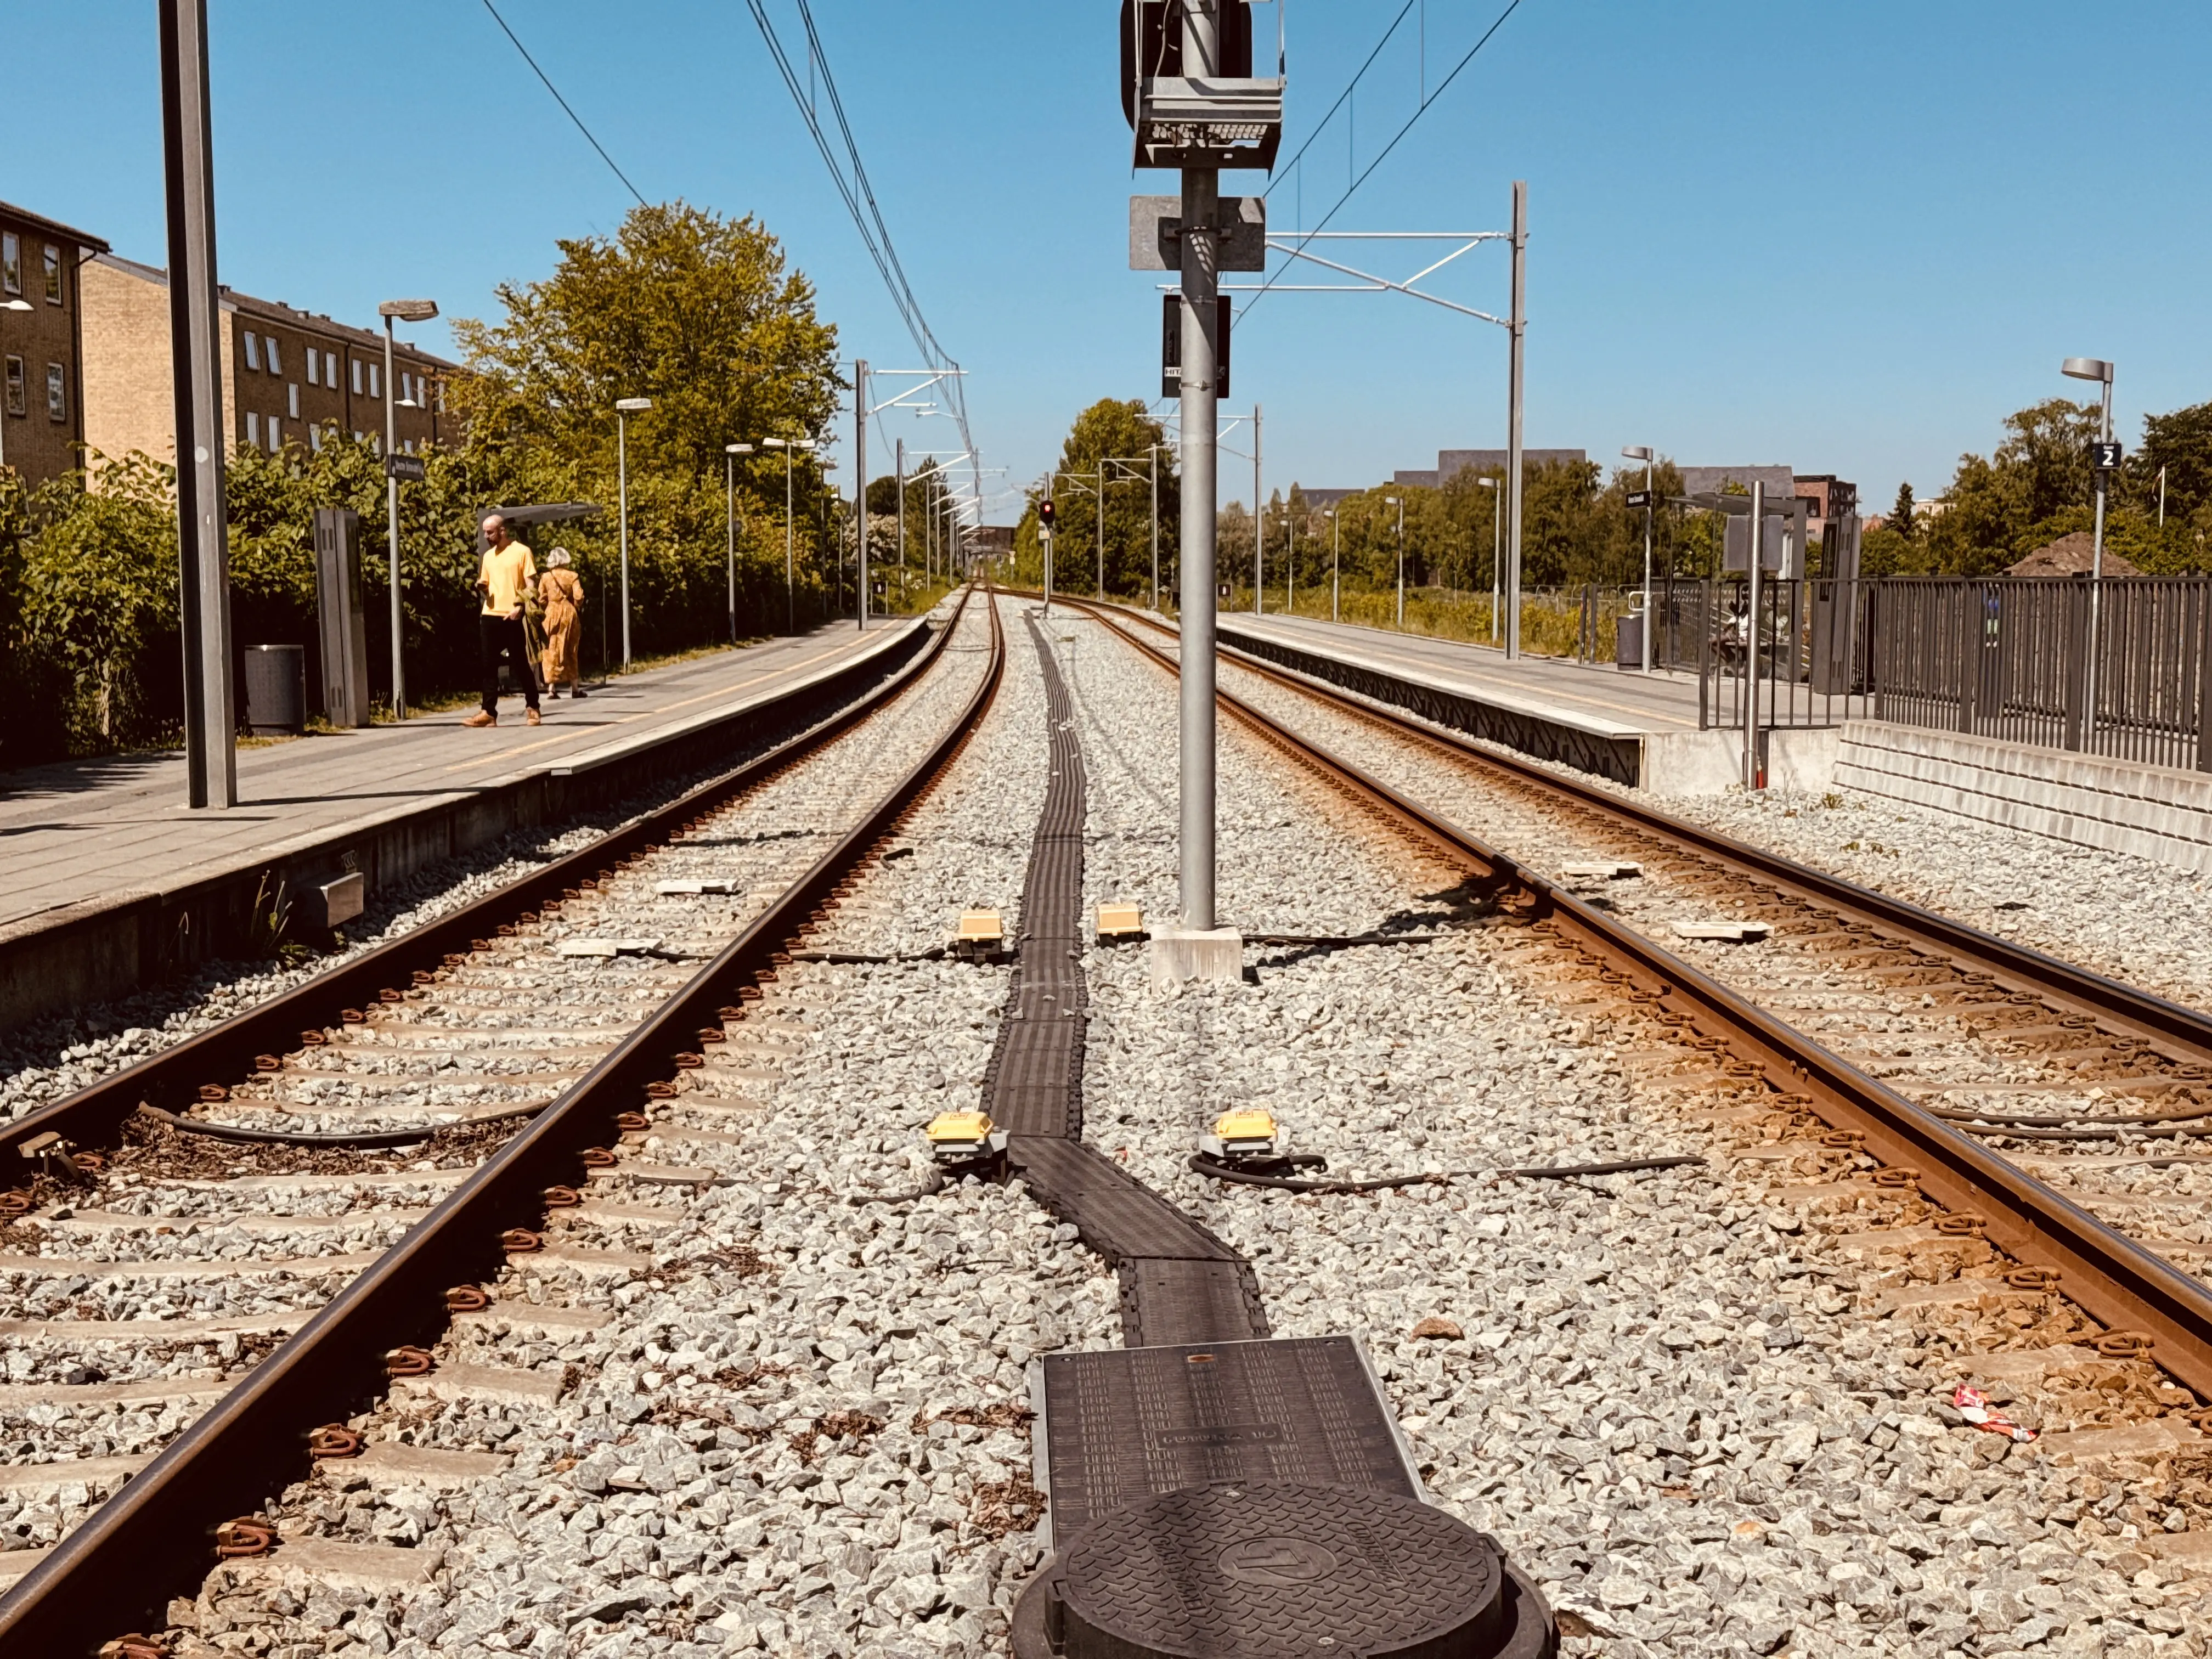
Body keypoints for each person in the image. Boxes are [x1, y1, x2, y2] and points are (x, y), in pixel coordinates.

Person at [465, 514, 541, 727]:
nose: (487, 536)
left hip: (513, 614)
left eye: (490, 532)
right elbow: (488, 583)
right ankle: (489, 712)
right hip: (490, 613)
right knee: (489, 665)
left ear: (502, 531)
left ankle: (533, 707)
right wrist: (482, 586)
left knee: (520, 663)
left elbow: (531, 585)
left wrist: (521, 607)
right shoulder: (488, 557)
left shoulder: (522, 552)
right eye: (485, 532)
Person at [537, 548, 587, 699]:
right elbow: (579, 596)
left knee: (550, 648)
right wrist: (575, 606)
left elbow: (541, 599)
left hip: (551, 613)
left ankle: (551, 688)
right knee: (571, 649)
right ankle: (575, 689)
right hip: (569, 612)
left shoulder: (546, 577)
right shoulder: (573, 575)